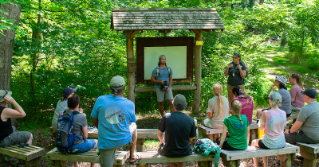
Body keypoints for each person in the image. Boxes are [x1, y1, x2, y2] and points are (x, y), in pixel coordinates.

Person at [91, 76, 139, 167]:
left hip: (106, 141)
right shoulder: (130, 104)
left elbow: (94, 119)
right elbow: (129, 123)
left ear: (110, 87)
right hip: (123, 139)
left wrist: (103, 129)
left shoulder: (100, 100)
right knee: (134, 125)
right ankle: (132, 154)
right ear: (124, 87)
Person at [157, 94, 196, 167]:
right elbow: (191, 140)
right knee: (183, 151)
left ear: (173, 104)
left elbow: (159, 134)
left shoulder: (166, 117)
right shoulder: (190, 120)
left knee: (159, 148)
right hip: (185, 151)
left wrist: (163, 141)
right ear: (185, 105)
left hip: (169, 151)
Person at [59, 94, 97, 167]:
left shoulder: (62, 114)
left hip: (61, 146)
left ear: (68, 104)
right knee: (97, 143)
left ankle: (76, 165)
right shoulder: (81, 117)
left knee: (72, 138)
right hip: (73, 148)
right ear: (78, 104)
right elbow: (85, 136)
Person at [252, 92, 287, 167]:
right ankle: (265, 165)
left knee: (253, 142)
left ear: (271, 101)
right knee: (262, 140)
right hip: (281, 142)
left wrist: (259, 124)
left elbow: (261, 128)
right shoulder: (283, 113)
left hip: (269, 143)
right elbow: (282, 127)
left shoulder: (266, 113)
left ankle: (256, 165)